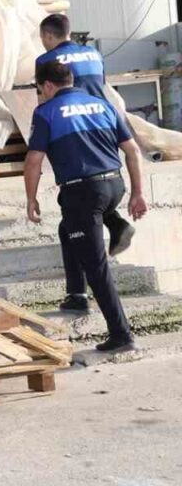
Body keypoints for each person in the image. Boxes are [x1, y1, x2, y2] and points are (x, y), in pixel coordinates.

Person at [25, 60, 148, 353]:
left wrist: (31, 197)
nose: (40, 95)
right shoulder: (103, 105)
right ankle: (77, 295)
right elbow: (132, 150)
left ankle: (121, 335)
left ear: (48, 85)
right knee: (68, 228)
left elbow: (33, 160)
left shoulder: (46, 112)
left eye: (39, 90)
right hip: (114, 186)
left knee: (97, 266)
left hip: (83, 192)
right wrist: (138, 193)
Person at [36, 13, 134, 277]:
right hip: (102, 124)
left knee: (78, 190)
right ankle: (115, 225)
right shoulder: (94, 54)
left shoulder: (46, 60)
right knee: (98, 185)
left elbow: (45, 98)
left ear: (48, 35)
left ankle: (92, 277)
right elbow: (102, 87)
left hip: (71, 128)